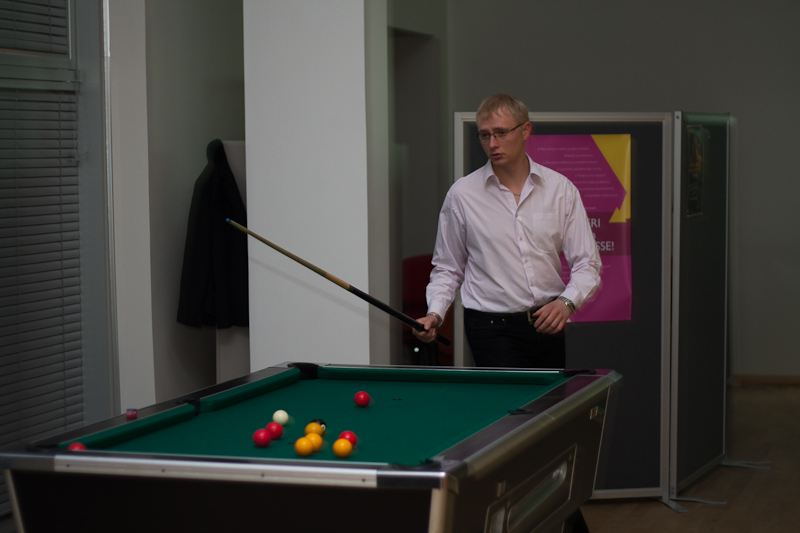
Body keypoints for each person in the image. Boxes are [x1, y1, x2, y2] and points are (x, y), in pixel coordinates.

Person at [413, 94, 601, 369]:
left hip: (548, 320)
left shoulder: (560, 189)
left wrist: (566, 303)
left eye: (501, 133)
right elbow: (448, 267)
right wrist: (435, 314)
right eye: (484, 135)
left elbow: (587, 263)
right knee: (511, 398)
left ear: (525, 130)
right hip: (490, 326)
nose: (492, 144)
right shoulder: (462, 194)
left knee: (549, 397)